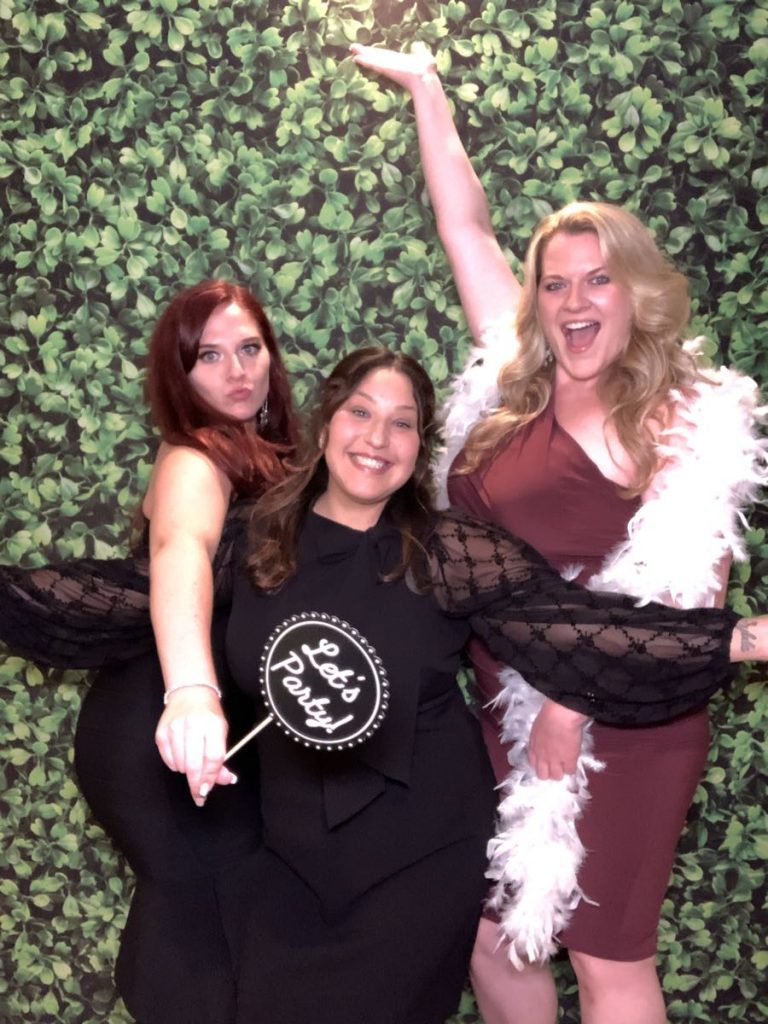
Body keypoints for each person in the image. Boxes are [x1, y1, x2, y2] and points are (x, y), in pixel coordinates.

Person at [3, 344, 766, 1024]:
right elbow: (111, 600)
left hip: (420, 853)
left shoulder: (452, 552)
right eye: (361, 412)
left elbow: (576, 629)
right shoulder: (258, 542)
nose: (377, 437)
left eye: (402, 423)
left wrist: (739, 637)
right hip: (288, 855)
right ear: (327, 421)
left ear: (418, 447)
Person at [350, 45, 766, 1024]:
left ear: (636, 294)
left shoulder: (679, 417)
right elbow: (466, 223)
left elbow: (685, 604)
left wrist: (572, 705)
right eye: (555, 284)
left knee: (605, 952)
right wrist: (426, 88)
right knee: (496, 937)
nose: (574, 302)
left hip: (620, 715)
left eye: (598, 281)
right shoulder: (512, 375)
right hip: (505, 709)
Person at [0, 279, 299, 1024]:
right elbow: (180, 554)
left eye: (249, 348)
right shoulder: (194, 461)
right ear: (179, 373)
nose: (237, 370)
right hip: (157, 724)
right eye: (210, 355)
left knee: (227, 917)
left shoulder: (275, 458)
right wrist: (191, 695)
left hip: (217, 727)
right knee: (199, 915)